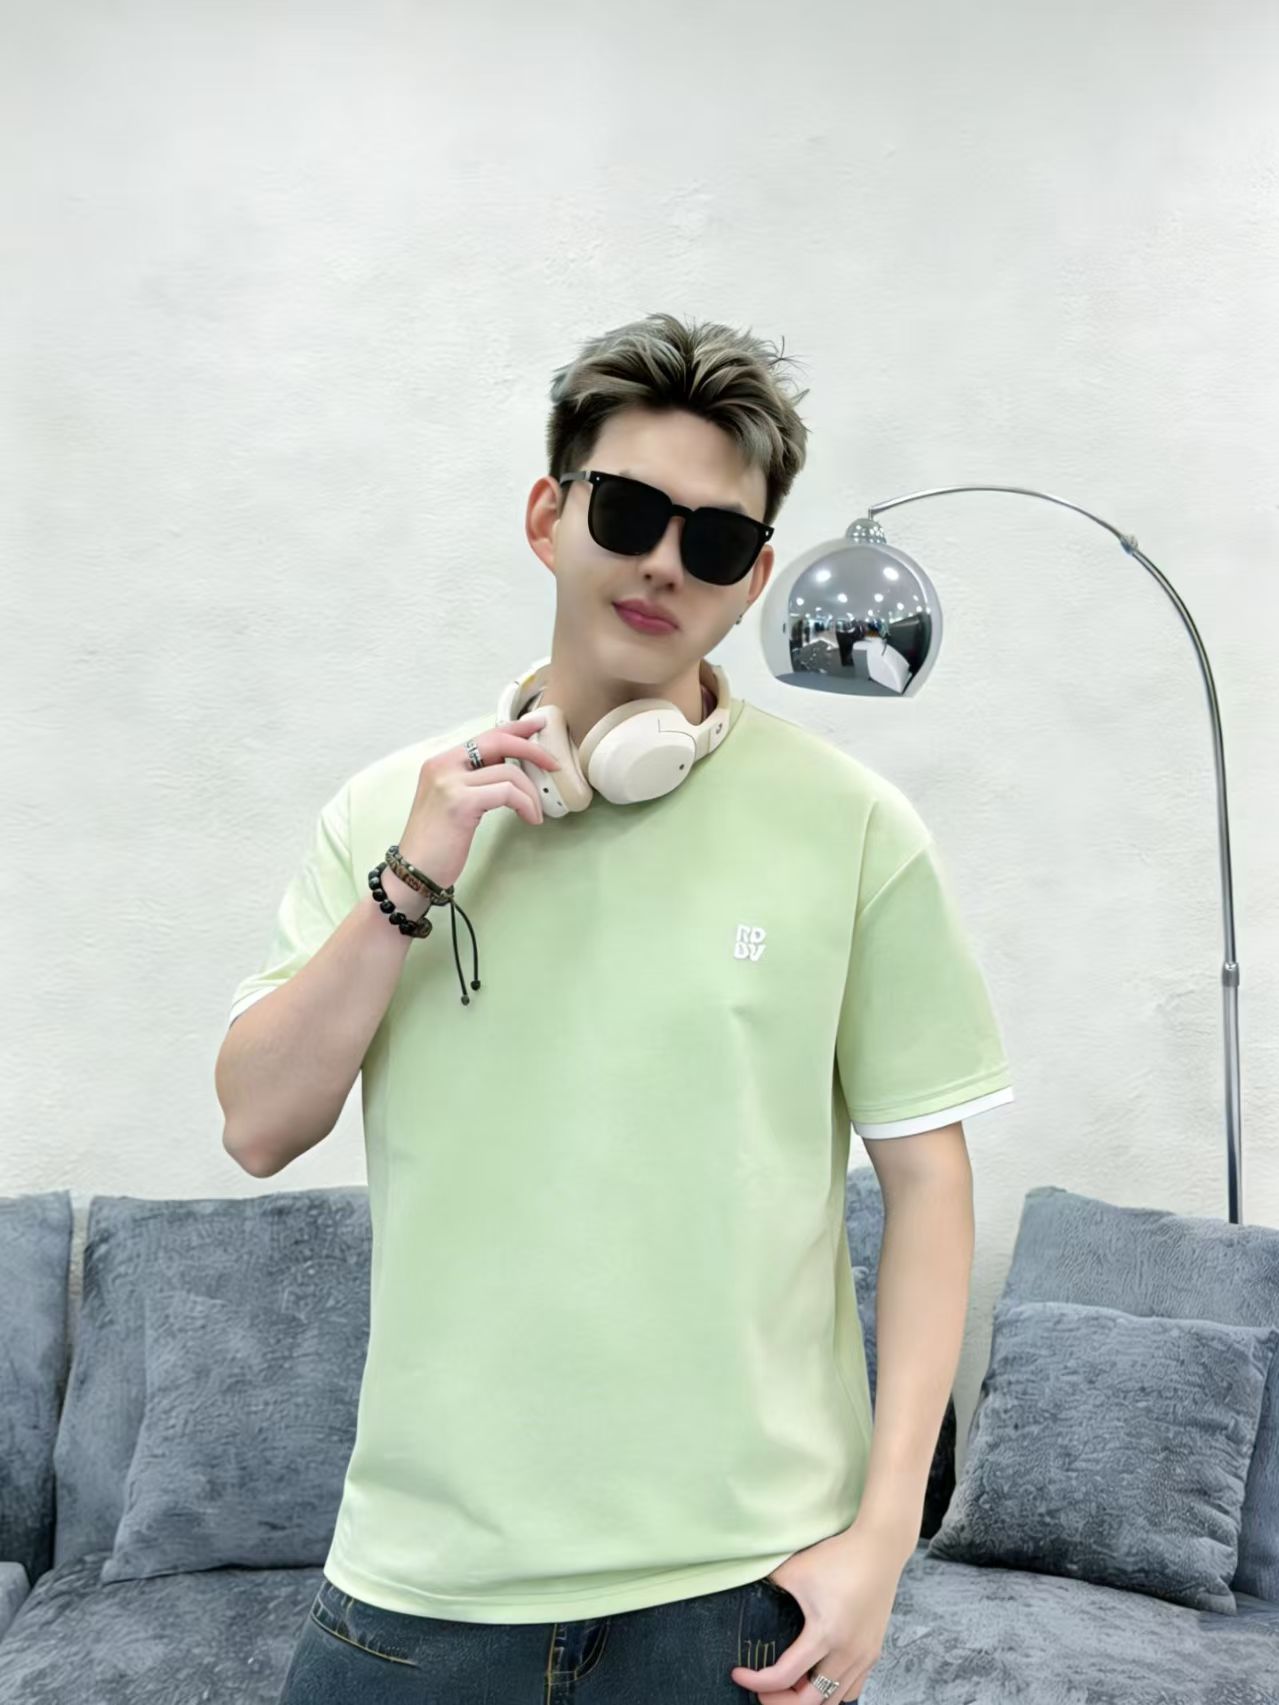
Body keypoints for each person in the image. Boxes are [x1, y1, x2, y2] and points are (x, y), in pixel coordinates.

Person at [215, 311, 1014, 1703]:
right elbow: (257, 1126)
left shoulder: (854, 829)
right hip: (423, 1585)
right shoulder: (387, 813)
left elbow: (929, 1182)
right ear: (550, 515)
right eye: (630, 511)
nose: (663, 563)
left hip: (739, 1597)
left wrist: (884, 1539)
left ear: (754, 577)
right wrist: (415, 875)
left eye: (716, 540)